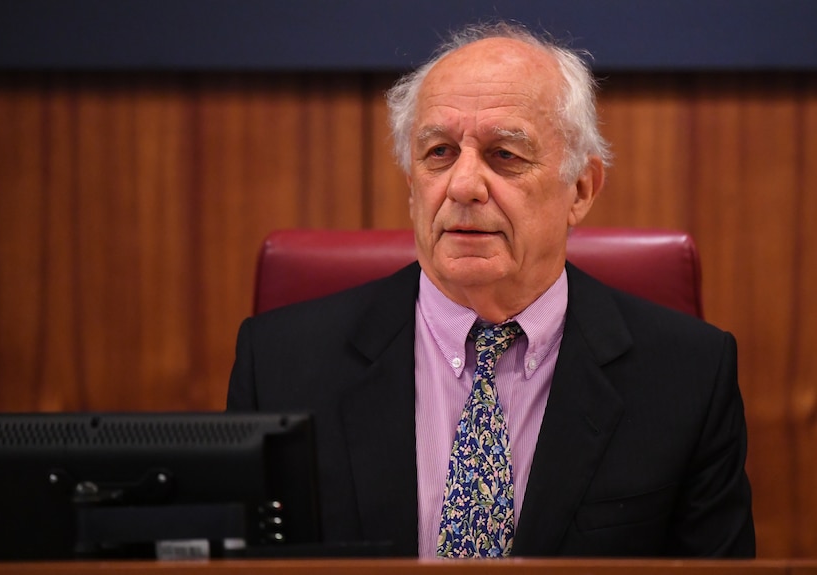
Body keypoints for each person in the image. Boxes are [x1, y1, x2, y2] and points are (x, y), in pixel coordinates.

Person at [227, 21, 755, 558]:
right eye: (439, 153)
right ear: (412, 184)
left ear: (581, 189)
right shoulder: (278, 366)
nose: (462, 185)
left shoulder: (688, 378)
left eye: (505, 154)